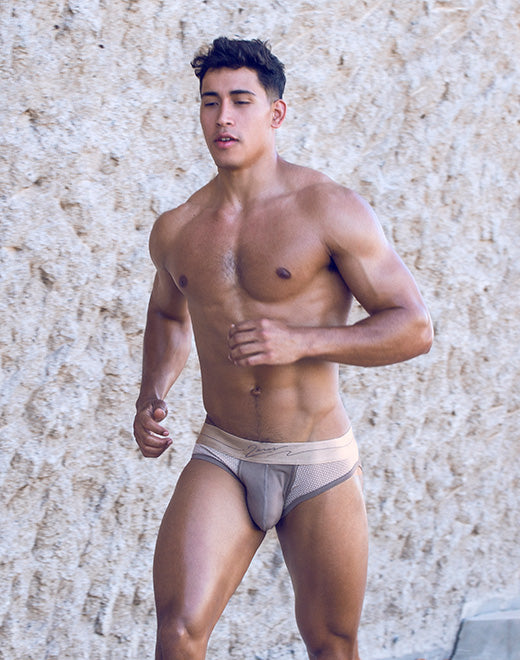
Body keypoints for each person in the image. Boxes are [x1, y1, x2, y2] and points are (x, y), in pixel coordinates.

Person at [133, 36, 433, 660]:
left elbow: (413, 327)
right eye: (210, 102)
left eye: (241, 101)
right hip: (224, 451)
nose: (224, 117)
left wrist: (302, 341)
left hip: (317, 460)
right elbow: (166, 314)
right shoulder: (178, 228)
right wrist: (151, 393)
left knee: (331, 643)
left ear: (276, 113)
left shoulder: (329, 208)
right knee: (178, 631)